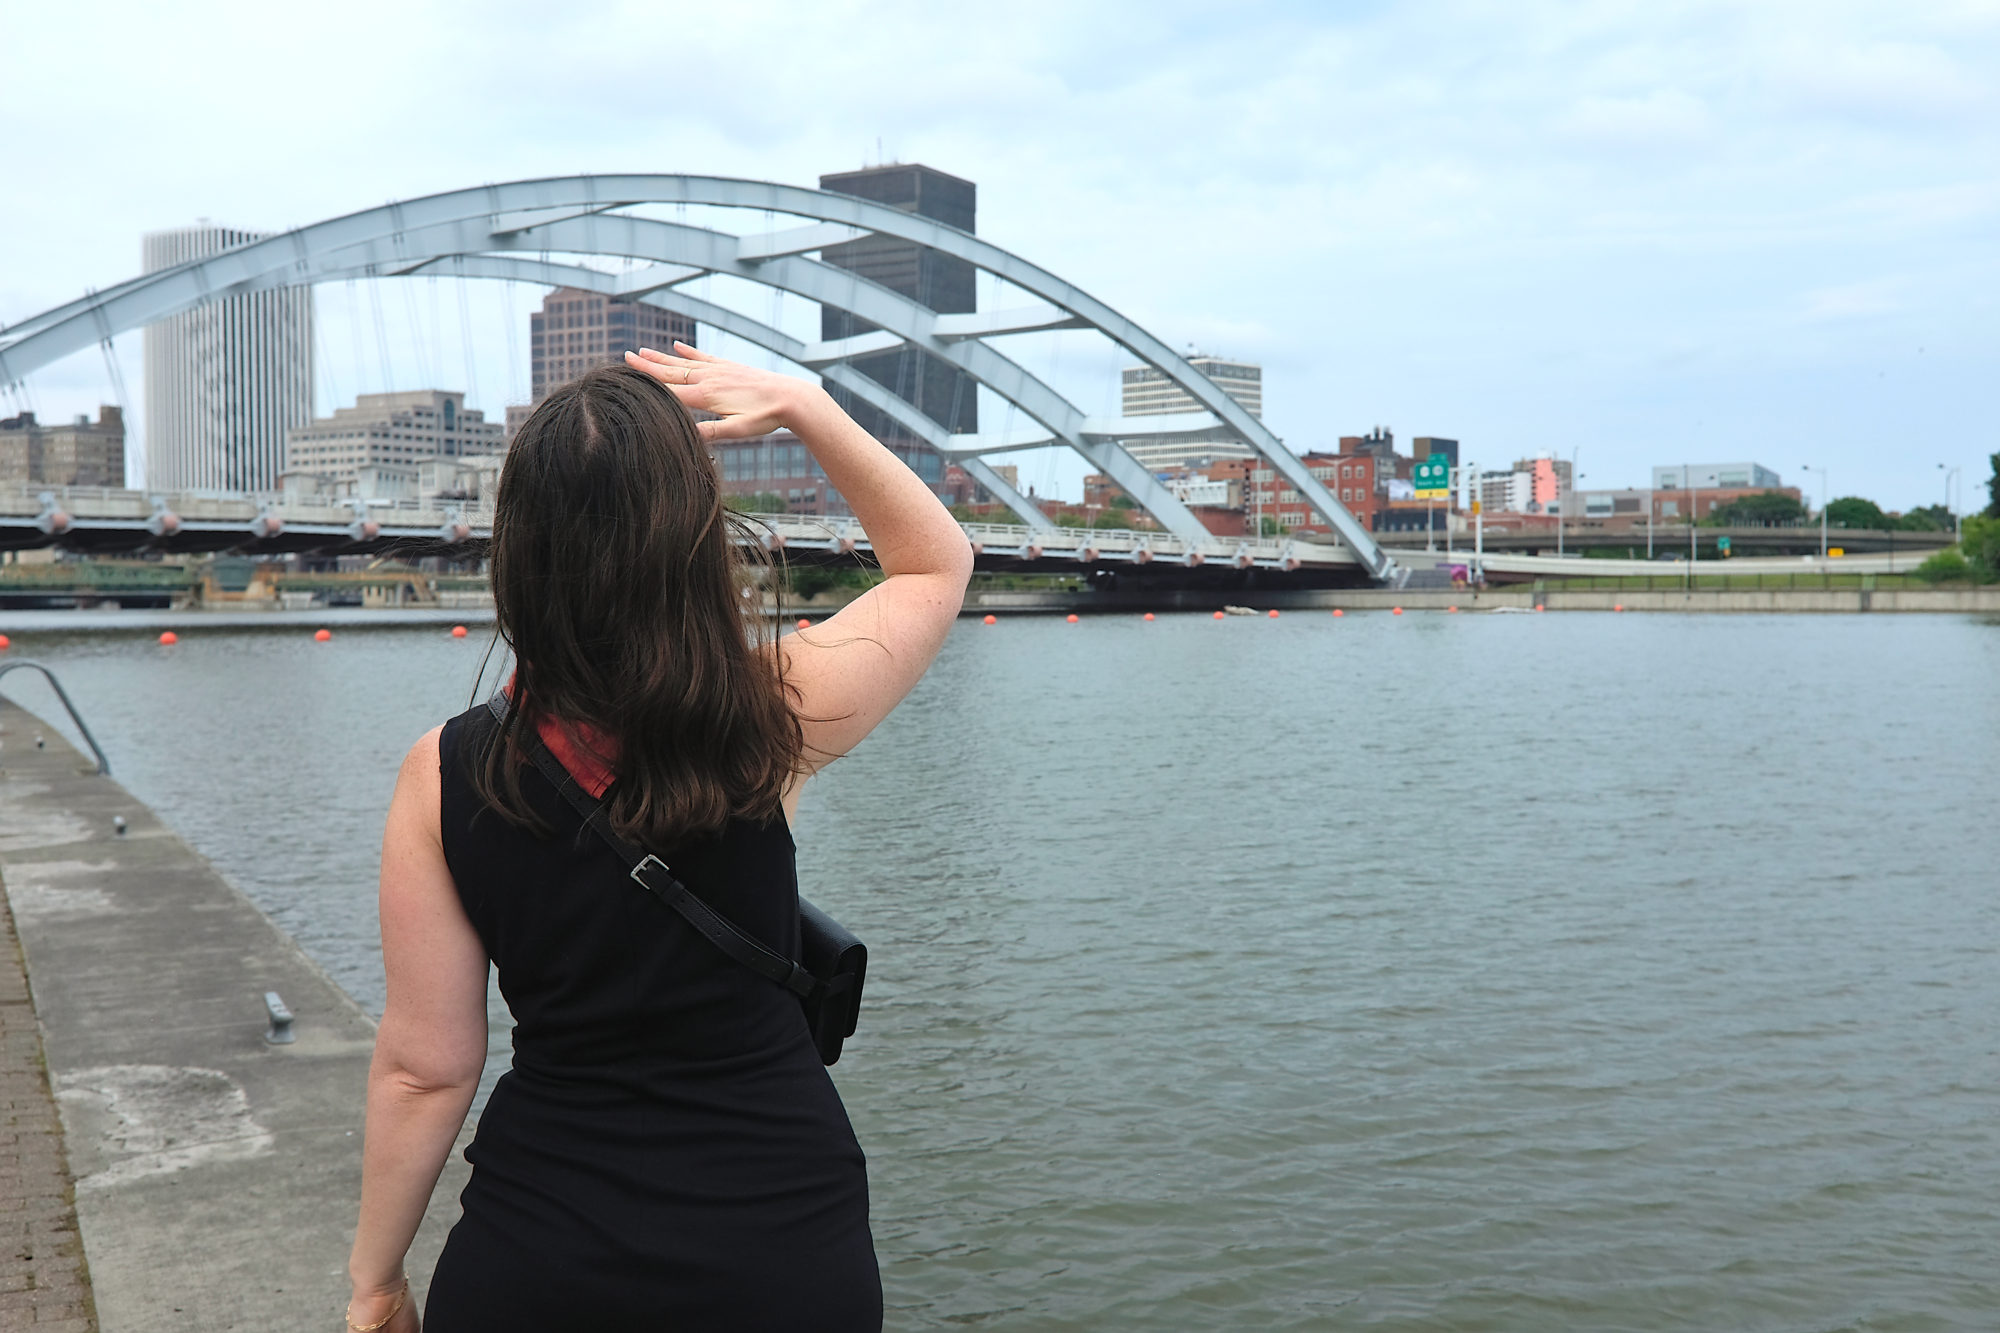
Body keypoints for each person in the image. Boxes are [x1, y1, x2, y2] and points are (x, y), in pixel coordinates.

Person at [344, 344, 974, 1331]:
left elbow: (426, 1069)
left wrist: (375, 1281)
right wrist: (806, 407)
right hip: (780, 1252)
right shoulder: (772, 713)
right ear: (694, 533)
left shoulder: (445, 772)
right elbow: (936, 561)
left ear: (518, 545)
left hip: (539, 1256)